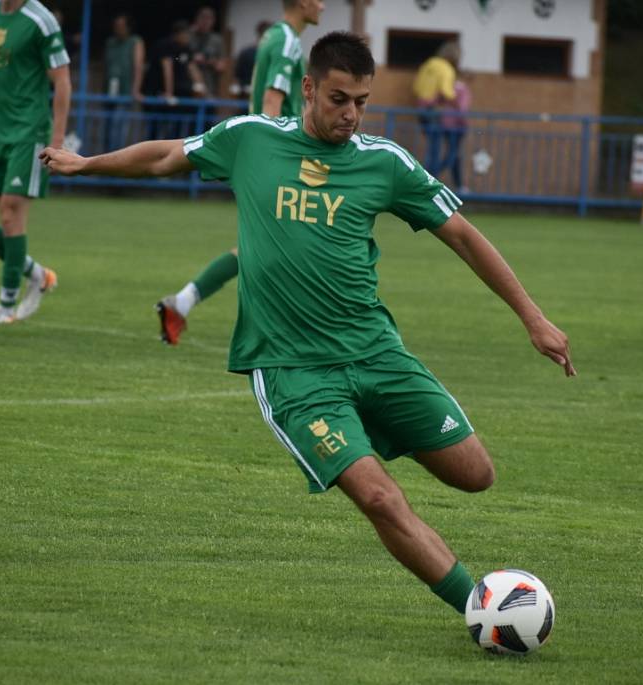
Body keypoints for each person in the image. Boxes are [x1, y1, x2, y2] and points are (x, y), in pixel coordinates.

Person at [41, 31, 576, 621]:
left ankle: (366, 425)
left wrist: (534, 318)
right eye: (339, 98)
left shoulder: (384, 162)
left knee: (476, 474)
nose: (351, 114)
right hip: (294, 371)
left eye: (362, 102)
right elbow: (167, 155)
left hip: (376, 353)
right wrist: (87, 162)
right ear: (309, 88)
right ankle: (480, 609)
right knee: (378, 496)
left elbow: (465, 238)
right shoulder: (249, 140)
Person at [155, 0, 325, 346]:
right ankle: (290, 329)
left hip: (273, 155)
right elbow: (272, 104)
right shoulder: (288, 41)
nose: (322, 5)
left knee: (269, 245)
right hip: (282, 158)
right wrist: (276, 161)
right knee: (295, 241)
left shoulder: (273, 37)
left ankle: (182, 303)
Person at [0, 0, 71, 323]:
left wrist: (57, 142)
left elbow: (62, 80)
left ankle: (6, 307)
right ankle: (37, 274)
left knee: (11, 211)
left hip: (30, 133)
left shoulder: (41, 20)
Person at [143, 20, 205, 141]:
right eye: (186, 34)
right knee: (155, 128)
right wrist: (169, 93)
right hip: (157, 91)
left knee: (176, 128)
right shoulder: (165, 45)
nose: (188, 37)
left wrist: (202, 89)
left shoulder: (186, 48)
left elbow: (193, 69)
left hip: (177, 95)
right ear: (178, 34)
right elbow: (167, 69)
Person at [413, 41, 460, 178]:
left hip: (420, 108)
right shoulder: (446, 68)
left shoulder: (428, 64)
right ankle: (430, 180)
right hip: (433, 110)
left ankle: (427, 177)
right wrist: (456, 103)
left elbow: (416, 87)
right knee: (435, 149)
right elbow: (446, 92)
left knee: (431, 146)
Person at [103, 13, 144, 152]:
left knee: (118, 130)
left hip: (125, 92)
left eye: (121, 26)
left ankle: (115, 161)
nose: (118, 29)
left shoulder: (135, 41)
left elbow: (138, 66)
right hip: (109, 92)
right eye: (116, 26)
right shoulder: (111, 42)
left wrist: (135, 89)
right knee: (107, 130)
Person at [438, 77, 471, 195]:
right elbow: (462, 108)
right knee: (452, 155)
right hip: (457, 127)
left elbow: (440, 101)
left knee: (454, 155)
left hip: (446, 125)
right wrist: (465, 123)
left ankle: (459, 184)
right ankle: (433, 175)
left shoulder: (447, 86)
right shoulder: (462, 89)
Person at [189, 6, 225, 99]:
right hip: (188, 86)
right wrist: (192, 59)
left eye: (208, 19)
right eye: (202, 18)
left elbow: (222, 66)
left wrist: (208, 61)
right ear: (197, 19)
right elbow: (178, 58)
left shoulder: (216, 40)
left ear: (213, 21)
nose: (205, 22)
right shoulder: (189, 36)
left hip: (209, 86)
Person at [231, 20, 272, 103]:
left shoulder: (273, 54)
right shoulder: (246, 52)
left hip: (265, 95)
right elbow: (236, 76)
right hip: (246, 95)